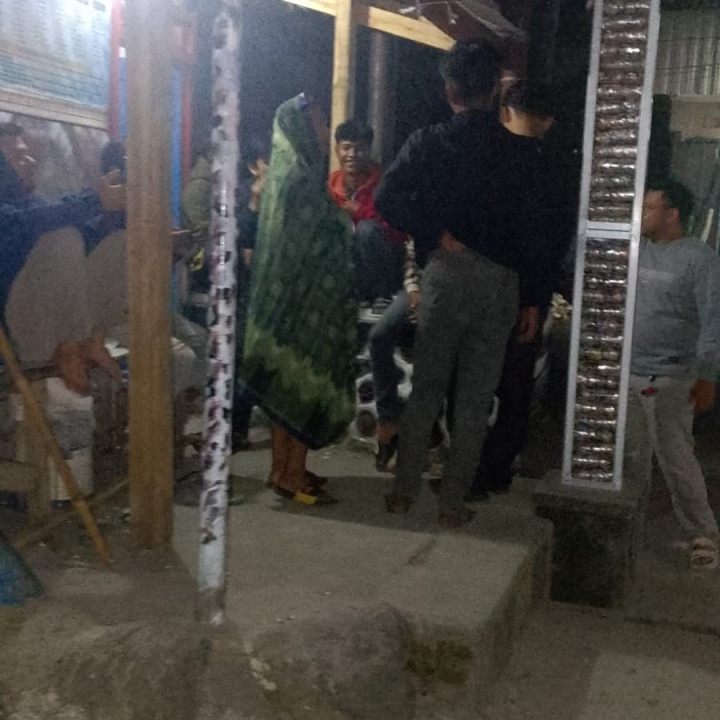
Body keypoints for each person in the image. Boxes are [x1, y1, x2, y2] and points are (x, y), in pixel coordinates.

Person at [375, 40, 560, 527]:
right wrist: (532, 301)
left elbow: (387, 198)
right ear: (493, 91)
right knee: (476, 399)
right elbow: (535, 234)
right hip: (501, 284)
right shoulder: (521, 153)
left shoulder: (428, 142)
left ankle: (403, 492)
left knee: (427, 388)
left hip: (446, 274)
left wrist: (433, 232)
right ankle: (453, 504)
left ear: (449, 90)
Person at [241, 94, 358, 505]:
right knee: (305, 387)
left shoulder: (281, 177)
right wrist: (344, 219)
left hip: (281, 307)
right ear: (301, 129)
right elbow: (324, 235)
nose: (326, 132)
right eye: (321, 124)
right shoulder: (302, 183)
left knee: (283, 388)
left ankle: (282, 469)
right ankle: (292, 476)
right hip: (306, 307)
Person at [467, 79, 574, 501]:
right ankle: (497, 468)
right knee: (516, 382)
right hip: (533, 289)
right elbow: (553, 241)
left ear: (506, 112)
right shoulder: (559, 166)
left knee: (479, 379)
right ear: (547, 119)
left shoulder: (493, 158)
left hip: (493, 286)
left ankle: (473, 471)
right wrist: (535, 297)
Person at [625, 180, 720, 570]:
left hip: (673, 376)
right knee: (630, 458)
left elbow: (713, 319)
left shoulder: (698, 258)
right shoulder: (637, 249)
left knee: (676, 458)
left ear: (672, 213)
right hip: (630, 371)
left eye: (649, 207)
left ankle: (703, 535)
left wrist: (707, 375)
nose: (641, 214)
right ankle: (627, 527)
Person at [0, 122, 125, 393]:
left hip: (56, 317)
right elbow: (24, 225)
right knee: (64, 236)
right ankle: (70, 345)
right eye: (18, 157)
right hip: (21, 328)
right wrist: (95, 200)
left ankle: (91, 339)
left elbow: (86, 234)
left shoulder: (32, 203)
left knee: (121, 243)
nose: (30, 161)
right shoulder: (13, 214)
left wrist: (116, 213)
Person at [328, 119, 405, 301]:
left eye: (359, 149)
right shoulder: (330, 188)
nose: (352, 154)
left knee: (366, 229)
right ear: (337, 150)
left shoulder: (385, 184)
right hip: (348, 269)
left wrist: (361, 212)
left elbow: (400, 234)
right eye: (346, 148)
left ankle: (382, 296)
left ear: (369, 151)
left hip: (384, 266)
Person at [232, 135, 270, 451]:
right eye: (268, 162)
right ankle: (237, 429)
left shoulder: (285, 193)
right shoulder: (242, 195)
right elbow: (245, 249)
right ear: (252, 167)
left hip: (275, 286)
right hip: (246, 288)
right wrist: (255, 203)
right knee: (244, 354)